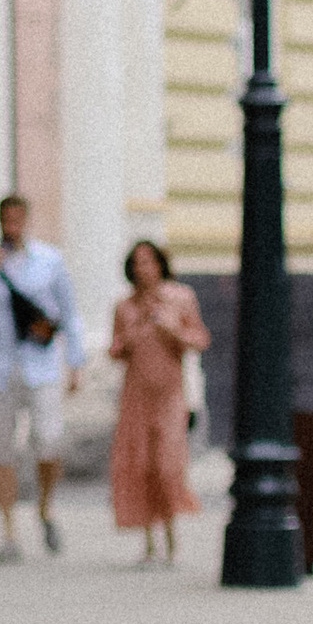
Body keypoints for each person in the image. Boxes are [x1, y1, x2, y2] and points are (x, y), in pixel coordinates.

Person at [0, 190, 82, 562]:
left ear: (25, 220)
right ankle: (8, 532)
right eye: (5, 221)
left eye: (17, 220)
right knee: (1, 450)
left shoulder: (49, 261)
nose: (11, 227)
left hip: (40, 365)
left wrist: (74, 363)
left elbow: (69, 315)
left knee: (49, 441)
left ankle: (44, 506)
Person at [107, 238, 210, 564]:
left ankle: (172, 539)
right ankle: (150, 542)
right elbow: (115, 350)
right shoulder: (125, 307)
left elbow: (199, 339)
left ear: (160, 264)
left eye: (149, 262)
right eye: (137, 263)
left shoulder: (180, 298)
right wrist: (133, 333)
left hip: (169, 395)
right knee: (142, 465)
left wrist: (171, 329)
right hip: (136, 395)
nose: (143, 269)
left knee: (167, 464)